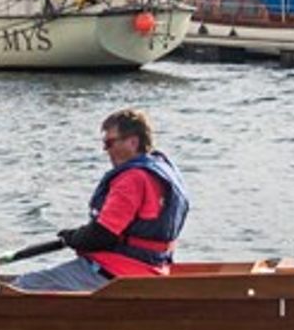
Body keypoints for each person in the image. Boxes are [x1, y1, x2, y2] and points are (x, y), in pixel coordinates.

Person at [11, 107, 189, 293]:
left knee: (23, 286)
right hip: (155, 268)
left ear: (132, 142)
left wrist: (73, 237)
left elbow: (102, 235)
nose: (106, 150)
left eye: (109, 143)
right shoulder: (165, 171)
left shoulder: (132, 179)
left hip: (117, 272)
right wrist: (77, 236)